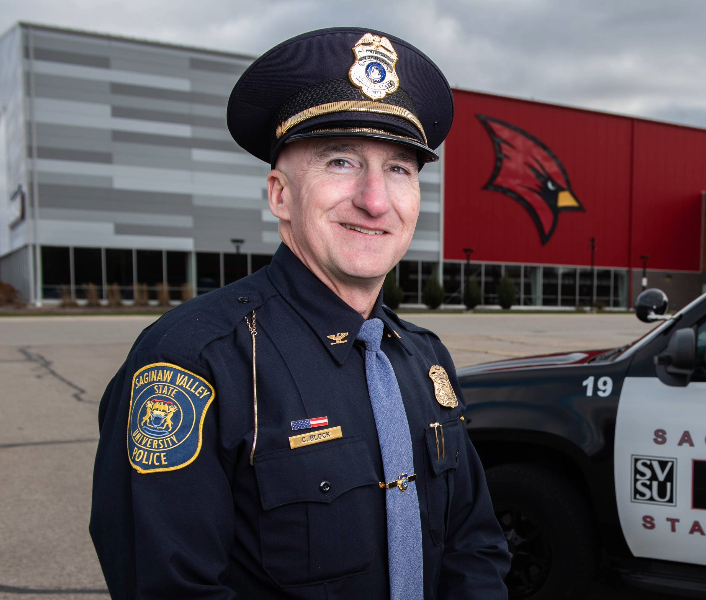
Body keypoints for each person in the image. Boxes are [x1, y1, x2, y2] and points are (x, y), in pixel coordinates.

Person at [89, 27, 509, 599]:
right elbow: (168, 587)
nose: (375, 199)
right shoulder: (192, 361)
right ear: (280, 195)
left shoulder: (422, 359)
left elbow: (474, 544)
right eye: (340, 161)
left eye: (400, 170)